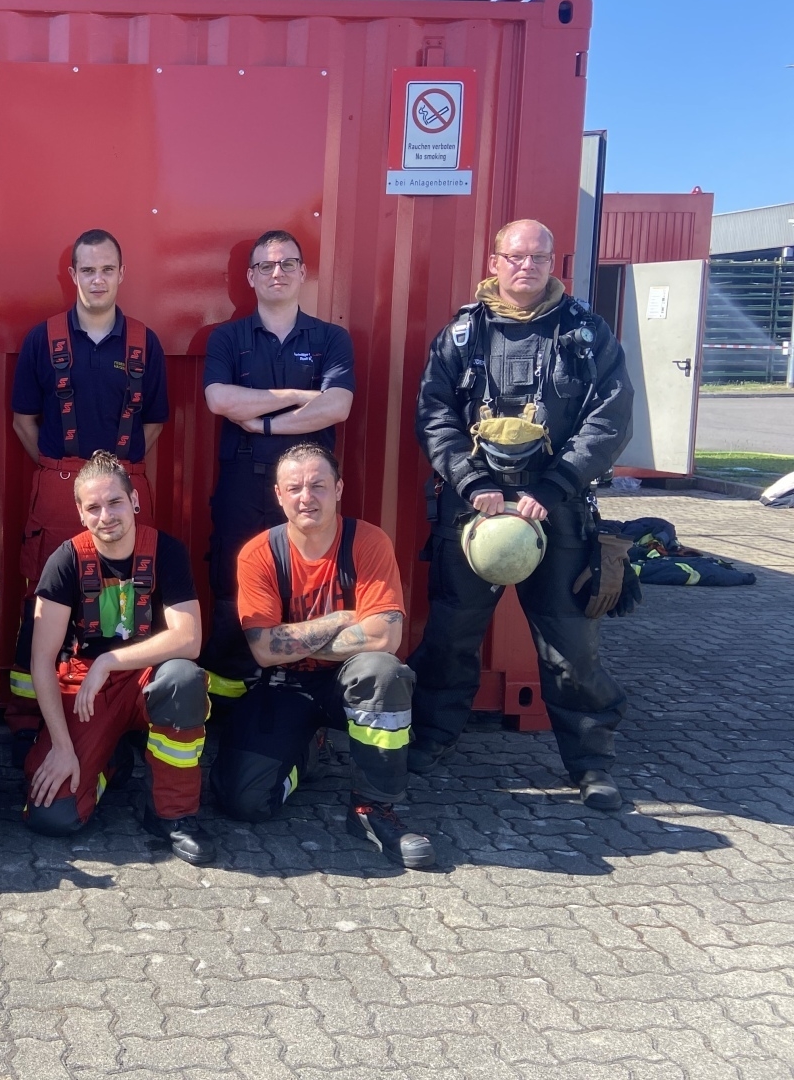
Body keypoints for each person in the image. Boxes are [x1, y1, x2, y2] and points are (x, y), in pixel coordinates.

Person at [407, 218, 633, 810]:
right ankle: (429, 739)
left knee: (571, 647)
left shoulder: (587, 334)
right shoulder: (460, 336)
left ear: (553, 263)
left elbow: (611, 418)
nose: (526, 266)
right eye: (515, 256)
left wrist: (555, 487)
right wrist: (471, 480)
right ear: (495, 261)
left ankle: (592, 763)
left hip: (557, 510)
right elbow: (433, 414)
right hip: (471, 510)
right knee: (451, 636)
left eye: (538, 257)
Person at [216, 443, 434, 870]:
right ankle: (308, 752)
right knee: (245, 802)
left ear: (338, 489)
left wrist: (289, 640)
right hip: (286, 686)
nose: (306, 497)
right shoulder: (259, 554)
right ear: (278, 495)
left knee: (383, 671)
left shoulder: (367, 541)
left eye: (318, 485)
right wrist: (341, 618)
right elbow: (263, 650)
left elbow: (385, 636)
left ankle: (372, 808)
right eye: (294, 488)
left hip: (347, 682)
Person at [6, 229, 170, 736]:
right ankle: (30, 718)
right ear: (72, 275)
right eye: (88, 270)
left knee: (128, 593)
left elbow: (153, 423)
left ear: (121, 274)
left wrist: (114, 477)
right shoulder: (42, 339)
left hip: (125, 485)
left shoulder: (145, 342)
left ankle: (120, 711)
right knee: (46, 597)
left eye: (107, 270)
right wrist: (65, 473)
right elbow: (23, 422)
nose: (98, 279)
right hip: (58, 487)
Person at [25, 452, 215, 866]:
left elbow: (189, 639)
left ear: (134, 501)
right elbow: (41, 660)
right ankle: (110, 761)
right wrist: (62, 746)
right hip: (88, 690)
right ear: (80, 513)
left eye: (114, 502)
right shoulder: (65, 560)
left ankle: (173, 814)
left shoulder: (166, 551)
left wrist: (109, 661)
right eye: (93, 507)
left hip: (149, 678)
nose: (105, 516)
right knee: (53, 815)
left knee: (184, 679)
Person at [200, 230, 355, 698]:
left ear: (303, 272)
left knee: (311, 580)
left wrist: (264, 422)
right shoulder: (227, 338)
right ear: (251, 277)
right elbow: (219, 400)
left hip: (310, 486)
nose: (277, 273)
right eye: (266, 266)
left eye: (287, 263)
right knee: (232, 586)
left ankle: (304, 694)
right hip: (243, 483)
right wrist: (297, 396)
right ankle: (226, 697)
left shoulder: (331, 338)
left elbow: (337, 406)